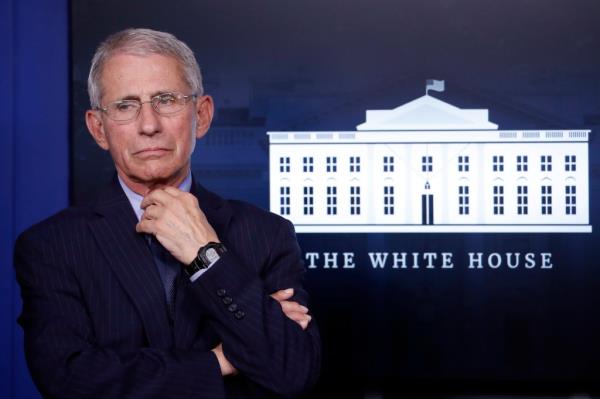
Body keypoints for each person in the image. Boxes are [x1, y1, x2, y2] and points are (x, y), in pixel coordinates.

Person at [14, 28, 320, 398]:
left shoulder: (268, 234)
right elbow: (70, 380)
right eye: (125, 106)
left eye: (166, 99)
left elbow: (292, 371)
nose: (149, 125)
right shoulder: (52, 246)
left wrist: (207, 254)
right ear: (98, 129)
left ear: (202, 115)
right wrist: (218, 362)